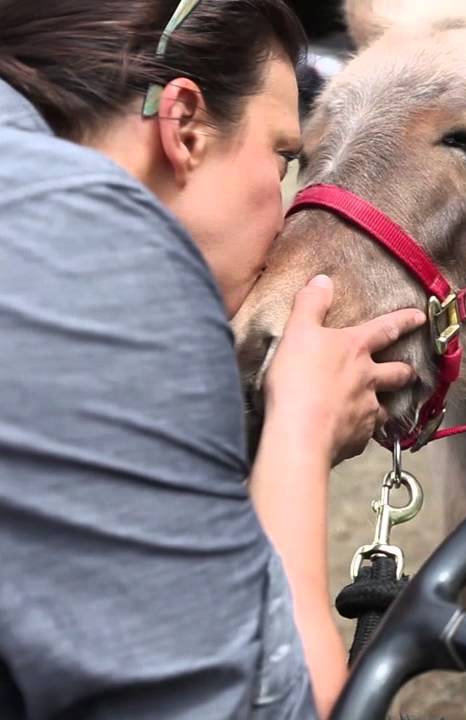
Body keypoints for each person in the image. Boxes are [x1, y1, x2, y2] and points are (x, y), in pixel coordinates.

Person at [0, 1, 424, 717]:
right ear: (186, 126)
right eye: (284, 157)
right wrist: (302, 432)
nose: (283, 208)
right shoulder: (101, 250)